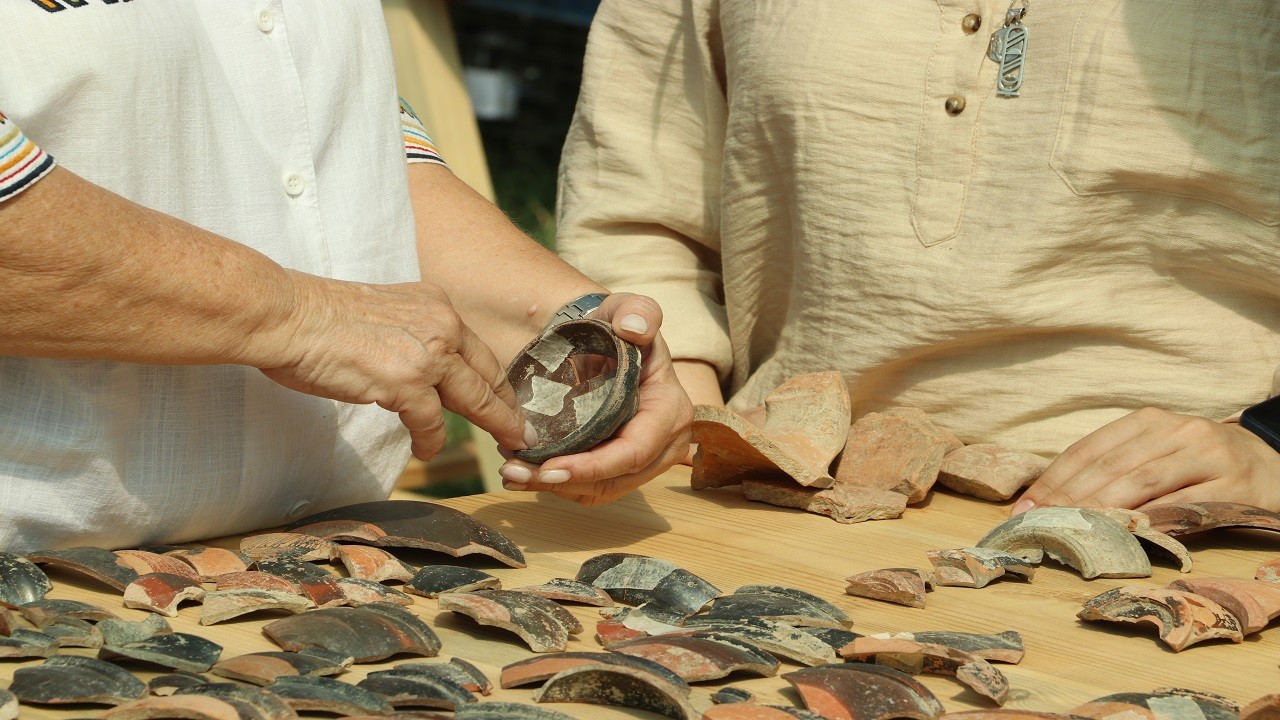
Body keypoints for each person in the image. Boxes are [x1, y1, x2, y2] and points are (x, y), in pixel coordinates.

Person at [0, 0, 690, 553]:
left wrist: (557, 324)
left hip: (327, 555)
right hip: (35, 575)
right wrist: (298, 316)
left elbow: (327, 132)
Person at [555, 1, 1280, 512]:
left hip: (1187, 528)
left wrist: (1271, 451)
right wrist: (680, 404)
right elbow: (636, 211)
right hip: (767, 497)